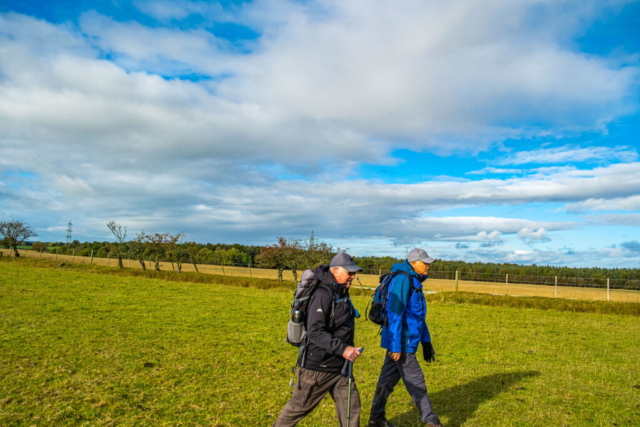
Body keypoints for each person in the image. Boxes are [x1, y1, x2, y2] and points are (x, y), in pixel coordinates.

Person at [273, 252, 364, 427]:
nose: (353, 276)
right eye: (349, 272)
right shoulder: (323, 293)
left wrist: (346, 349)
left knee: (351, 409)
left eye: (354, 272)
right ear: (335, 270)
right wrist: (344, 349)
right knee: (297, 409)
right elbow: (315, 332)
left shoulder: (341, 291)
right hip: (317, 369)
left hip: (341, 367)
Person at [368, 248, 442, 427]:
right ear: (413, 262)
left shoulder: (415, 281)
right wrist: (395, 346)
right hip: (402, 342)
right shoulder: (403, 280)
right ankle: (431, 421)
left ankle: (376, 419)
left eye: (428, 263)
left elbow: (417, 316)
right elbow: (395, 313)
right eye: (425, 263)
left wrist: (426, 341)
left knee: (386, 381)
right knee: (417, 382)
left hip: (406, 341)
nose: (428, 266)